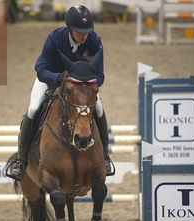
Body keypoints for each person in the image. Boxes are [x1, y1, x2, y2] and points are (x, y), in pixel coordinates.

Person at [6, 5, 114, 180]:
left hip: (81, 88)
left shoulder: (94, 40)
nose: (84, 36)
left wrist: (86, 84)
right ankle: (21, 160)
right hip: (51, 81)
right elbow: (40, 69)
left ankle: (106, 157)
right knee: (33, 108)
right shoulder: (55, 38)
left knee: (99, 109)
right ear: (70, 29)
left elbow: (100, 75)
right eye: (79, 31)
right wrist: (59, 78)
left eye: (86, 31)